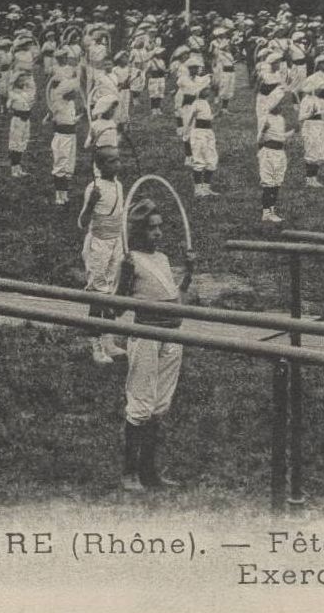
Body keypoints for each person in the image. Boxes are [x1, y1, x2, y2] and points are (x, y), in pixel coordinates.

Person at [116, 198, 194, 492]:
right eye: (151, 229)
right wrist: (124, 277)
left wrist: (188, 274)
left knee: (160, 406)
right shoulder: (131, 260)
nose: (158, 233)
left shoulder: (161, 259)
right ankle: (129, 472)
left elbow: (177, 301)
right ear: (138, 232)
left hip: (172, 336)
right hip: (147, 335)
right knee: (140, 405)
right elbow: (115, 306)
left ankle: (150, 472)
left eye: (160, 227)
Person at [78, 146, 128, 365]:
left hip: (116, 243)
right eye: (110, 162)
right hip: (98, 244)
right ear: (98, 166)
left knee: (112, 291)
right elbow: (82, 222)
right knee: (97, 295)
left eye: (118, 160)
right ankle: (95, 346)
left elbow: (120, 217)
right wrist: (90, 202)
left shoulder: (119, 185)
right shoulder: (94, 187)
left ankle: (108, 339)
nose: (116, 165)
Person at [256, 89, 292, 223]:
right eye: (278, 104)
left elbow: (281, 137)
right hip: (268, 153)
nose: (281, 107)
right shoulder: (265, 118)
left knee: (277, 182)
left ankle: (272, 209)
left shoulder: (281, 119)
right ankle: (266, 212)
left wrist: (293, 132)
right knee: (268, 183)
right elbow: (259, 139)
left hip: (280, 153)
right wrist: (264, 129)